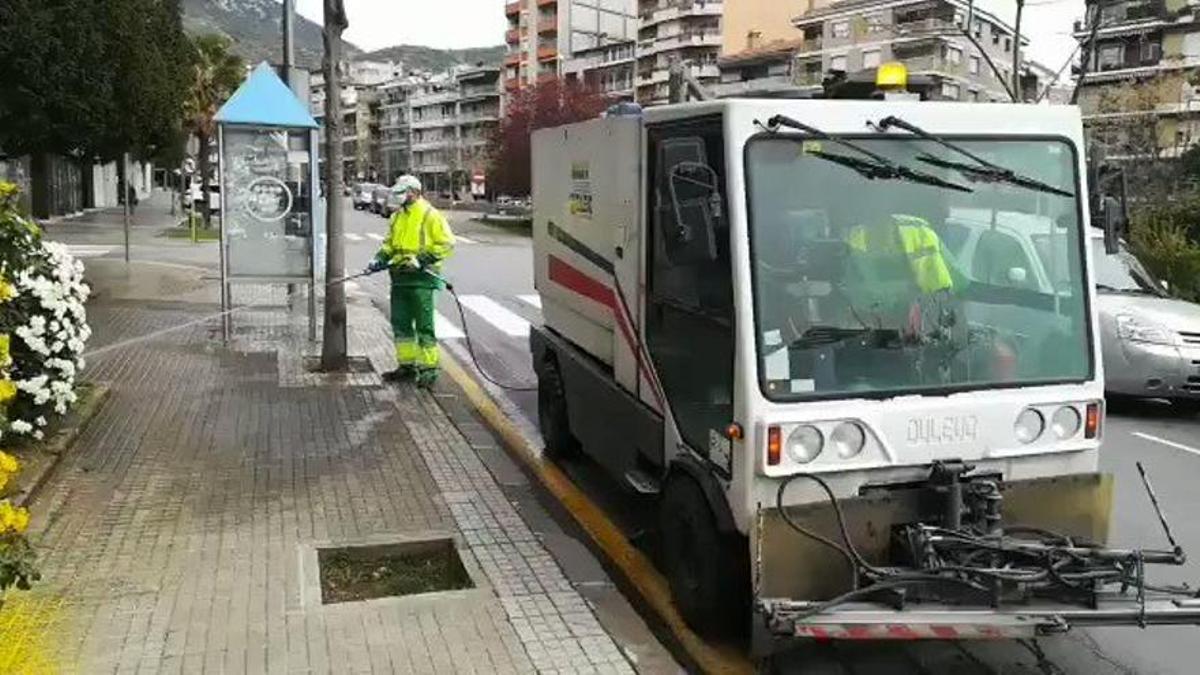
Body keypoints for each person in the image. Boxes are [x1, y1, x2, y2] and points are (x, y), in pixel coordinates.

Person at [366, 175, 456, 386]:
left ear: (414, 192)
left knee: (424, 327)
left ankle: (428, 370)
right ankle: (406, 366)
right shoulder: (397, 217)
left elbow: (446, 244)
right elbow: (390, 245)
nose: (398, 197)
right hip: (399, 279)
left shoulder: (430, 215)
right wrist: (379, 259)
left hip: (421, 280)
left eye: (402, 193)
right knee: (401, 325)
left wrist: (421, 259)